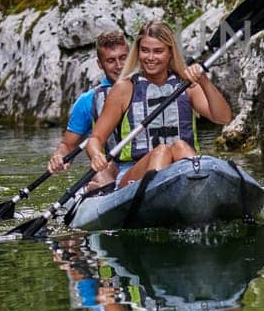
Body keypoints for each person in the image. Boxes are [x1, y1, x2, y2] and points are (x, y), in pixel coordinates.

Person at [84, 20, 233, 188]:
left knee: (180, 146)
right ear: (138, 52)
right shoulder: (124, 89)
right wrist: (96, 155)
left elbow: (223, 118)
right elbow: (95, 139)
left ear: (170, 53)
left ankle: (198, 192)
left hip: (182, 167)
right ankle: (158, 198)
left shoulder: (187, 85)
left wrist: (204, 81)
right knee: (161, 151)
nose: (150, 58)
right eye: (145, 50)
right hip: (134, 174)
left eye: (158, 51)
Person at [45, 29, 130, 187]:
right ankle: (100, 191)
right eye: (111, 60)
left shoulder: (146, 88)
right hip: (106, 169)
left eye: (123, 58)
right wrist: (59, 156)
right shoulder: (86, 101)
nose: (119, 66)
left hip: (138, 166)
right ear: (100, 64)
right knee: (102, 173)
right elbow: (68, 145)